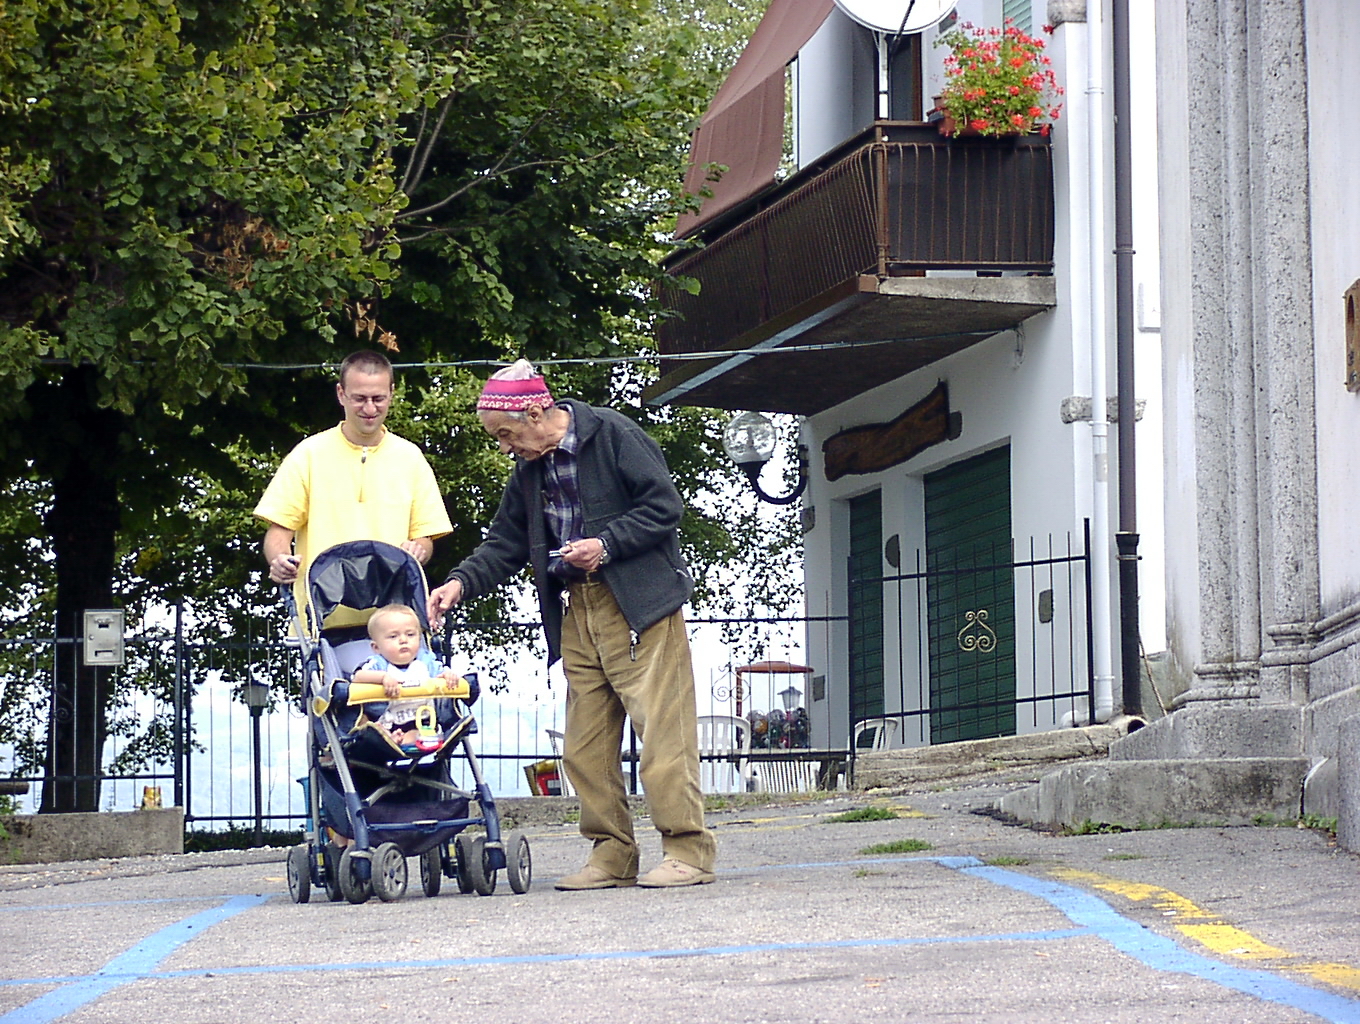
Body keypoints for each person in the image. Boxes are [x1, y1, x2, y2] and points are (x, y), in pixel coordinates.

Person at [426, 360, 717, 890]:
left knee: (663, 739)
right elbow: (505, 542)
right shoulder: (528, 469)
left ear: (537, 413)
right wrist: (459, 583)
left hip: (640, 605)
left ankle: (687, 851)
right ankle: (613, 855)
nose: (505, 447)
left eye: (506, 434)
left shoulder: (614, 434)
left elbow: (664, 507)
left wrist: (605, 545)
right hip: (577, 608)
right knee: (584, 748)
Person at [254, 349, 453, 626]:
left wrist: (418, 549)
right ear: (341, 394)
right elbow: (279, 530)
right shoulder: (308, 454)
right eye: (360, 398)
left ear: (391, 393)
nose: (369, 409)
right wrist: (280, 560)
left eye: (378, 399)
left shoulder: (411, 458)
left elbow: (425, 537)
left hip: (394, 630)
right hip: (319, 628)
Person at [351, 604, 461, 752]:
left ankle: (399, 741)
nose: (403, 640)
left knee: (419, 734)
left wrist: (448, 675)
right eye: (393, 636)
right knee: (368, 725)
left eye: (410, 635)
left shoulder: (425, 661)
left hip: (421, 721)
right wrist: (383, 678)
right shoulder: (378, 664)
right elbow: (357, 677)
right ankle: (388, 738)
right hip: (386, 720)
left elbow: (441, 672)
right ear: (376, 647)